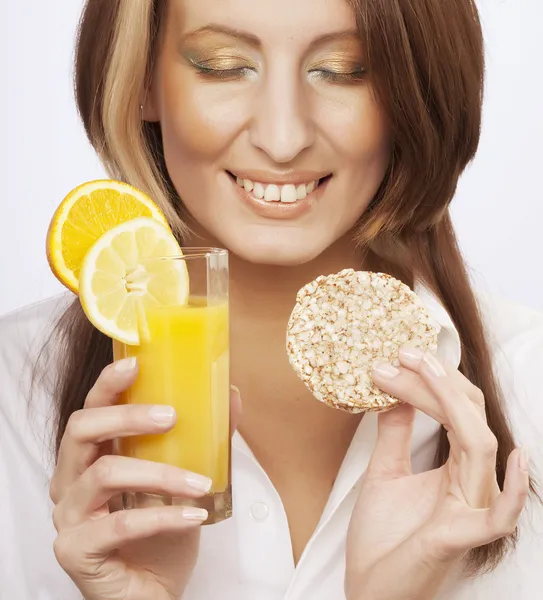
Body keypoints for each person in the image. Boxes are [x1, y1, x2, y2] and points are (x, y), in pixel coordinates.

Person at [1, 0, 542, 598]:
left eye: (344, 69)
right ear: (142, 83)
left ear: (414, 88)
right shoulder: (12, 397)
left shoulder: (532, 380)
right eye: (223, 65)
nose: (283, 140)